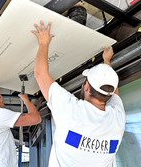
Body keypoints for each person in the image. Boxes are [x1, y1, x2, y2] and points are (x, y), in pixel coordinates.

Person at [31, 21, 126, 166]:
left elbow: (114, 89)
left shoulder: (118, 117)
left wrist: (44, 44)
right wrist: (44, 43)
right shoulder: (73, 111)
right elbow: (39, 74)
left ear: (86, 86)